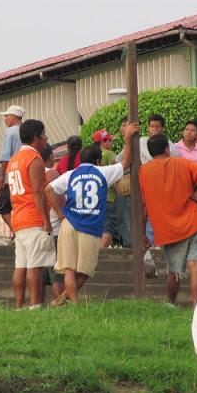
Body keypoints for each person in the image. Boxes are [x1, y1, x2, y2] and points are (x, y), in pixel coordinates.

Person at [45, 122, 139, 305]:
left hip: (69, 223)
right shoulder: (103, 173)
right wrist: (128, 137)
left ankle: (69, 299)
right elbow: (126, 162)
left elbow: (48, 189)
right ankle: (68, 300)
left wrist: (60, 213)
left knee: (69, 268)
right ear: (98, 161)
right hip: (90, 226)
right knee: (86, 270)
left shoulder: (71, 174)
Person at [139, 134, 197, 308]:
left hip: (168, 229)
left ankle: (171, 302)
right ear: (167, 148)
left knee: (174, 270)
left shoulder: (144, 171)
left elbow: (144, 205)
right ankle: (196, 305)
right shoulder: (181, 162)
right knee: (195, 265)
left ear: (150, 153)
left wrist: (143, 232)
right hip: (193, 222)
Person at [7, 119, 56, 309]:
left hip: (18, 218)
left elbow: (12, 195)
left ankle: (19, 305)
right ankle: (35, 305)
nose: (46, 138)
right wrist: (46, 220)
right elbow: (37, 191)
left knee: (21, 265)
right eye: (43, 134)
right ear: (36, 137)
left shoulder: (13, 161)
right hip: (32, 217)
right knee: (34, 265)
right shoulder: (34, 159)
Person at [117, 113, 180, 247]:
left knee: (155, 219)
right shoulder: (140, 142)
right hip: (142, 187)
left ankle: (155, 248)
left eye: (157, 127)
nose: (154, 129)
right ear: (148, 128)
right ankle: (148, 247)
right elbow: (122, 158)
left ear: (163, 128)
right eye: (152, 126)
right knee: (142, 217)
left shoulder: (169, 146)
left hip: (162, 189)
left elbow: (175, 166)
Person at [40, 143, 65, 300]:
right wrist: (63, 215)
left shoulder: (31, 173)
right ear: (49, 157)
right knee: (58, 271)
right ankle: (59, 302)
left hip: (37, 227)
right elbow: (60, 198)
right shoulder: (52, 174)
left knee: (40, 270)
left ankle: (39, 303)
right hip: (54, 227)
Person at [0, 105, 25, 232]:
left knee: (1, 205)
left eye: (7, 116)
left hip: (11, 174)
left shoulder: (10, 131)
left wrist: (1, 175)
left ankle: (16, 231)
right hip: (24, 173)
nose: (5, 119)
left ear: (15, 117)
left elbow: (6, 155)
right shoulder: (25, 131)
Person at [92, 129, 120, 248]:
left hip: (96, 197)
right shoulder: (109, 154)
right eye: (109, 140)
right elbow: (116, 177)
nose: (111, 143)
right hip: (110, 197)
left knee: (100, 227)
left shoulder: (92, 154)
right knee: (109, 227)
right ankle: (100, 253)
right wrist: (120, 192)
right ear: (103, 142)